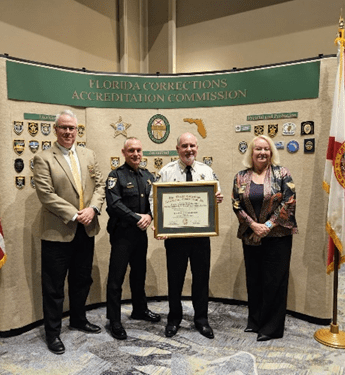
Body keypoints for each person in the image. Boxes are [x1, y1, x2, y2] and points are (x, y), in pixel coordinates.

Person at [33, 110, 105, 354]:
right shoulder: (43, 158)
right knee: (53, 287)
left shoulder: (88, 155)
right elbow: (46, 195)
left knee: (82, 279)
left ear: (77, 130)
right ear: (55, 130)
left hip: (86, 230)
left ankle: (78, 319)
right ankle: (53, 334)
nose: (68, 132)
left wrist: (93, 209)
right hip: (58, 232)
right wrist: (76, 214)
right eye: (63, 127)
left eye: (72, 128)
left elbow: (100, 186)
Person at [152, 132, 223, 339]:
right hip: (174, 238)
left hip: (201, 236)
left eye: (192, 145)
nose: (189, 150)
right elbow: (153, 200)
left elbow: (216, 195)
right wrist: (159, 225)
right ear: (177, 149)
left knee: (201, 279)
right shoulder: (165, 172)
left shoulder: (206, 171)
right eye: (184, 146)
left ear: (197, 148)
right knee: (175, 279)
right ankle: (174, 319)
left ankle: (201, 320)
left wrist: (217, 197)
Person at [231, 135, 298, 342]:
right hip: (251, 236)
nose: (262, 152)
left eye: (266, 149)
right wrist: (253, 225)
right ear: (251, 152)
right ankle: (256, 321)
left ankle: (271, 328)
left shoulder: (282, 173)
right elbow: (236, 204)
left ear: (271, 152)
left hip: (277, 236)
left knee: (274, 281)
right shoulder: (240, 177)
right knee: (255, 279)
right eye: (258, 149)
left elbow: (289, 202)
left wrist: (268, 225)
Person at [105, 137, 161, 340]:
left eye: (138, 150)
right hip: (122, 235)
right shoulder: (115, 176)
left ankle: (140, 309)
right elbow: (114, 205)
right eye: (131, 151)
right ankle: (114, 320)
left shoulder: (148, 176)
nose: (136, 154)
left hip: (140, 234)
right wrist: (138, 218)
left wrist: (150, 216)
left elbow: (156, 201)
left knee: (139, 274)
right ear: (124, 152)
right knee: (116, 278)